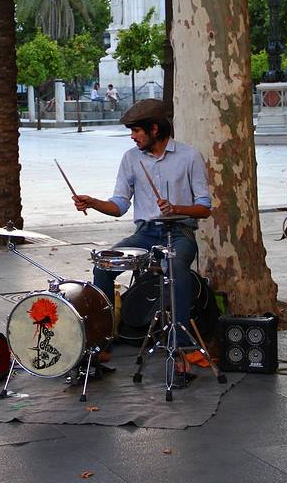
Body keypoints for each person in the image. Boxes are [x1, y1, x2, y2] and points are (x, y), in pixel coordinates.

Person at [73, 99, 211, 384]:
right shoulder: (130, 158)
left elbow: (204, 207)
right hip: (145, 233)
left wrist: (176, 209)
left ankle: (180, 349)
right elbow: (119, 205)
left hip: (180, 231)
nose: (132, 137)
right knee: (103, 266)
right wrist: (93, 202)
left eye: (136, 131)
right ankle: (102, 344)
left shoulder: (189, 156)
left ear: (154, 129)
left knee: (176, 268)